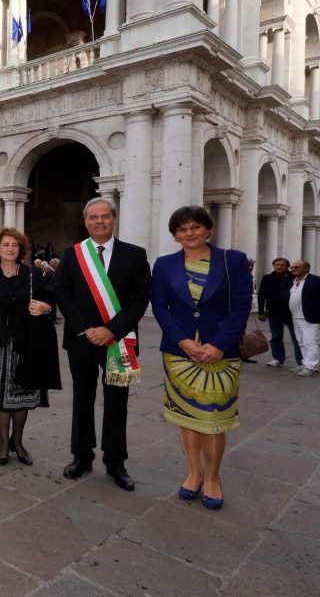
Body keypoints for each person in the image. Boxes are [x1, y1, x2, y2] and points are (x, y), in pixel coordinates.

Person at [150, 206, 252, 510]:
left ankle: (213, 478)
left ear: (208, 229)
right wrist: (182, 341)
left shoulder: (231, 260)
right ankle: (194, 474)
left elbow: (242, 304)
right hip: (180, 353)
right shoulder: (165, 264)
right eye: (181, 229)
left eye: (195, 227)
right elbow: (160, 306)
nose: (189, 234)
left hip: (219, 354)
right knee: (188, 418)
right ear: (175, 235)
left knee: (214, 418)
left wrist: (220, 343)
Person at [55, 198, 151, 490]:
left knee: (117, 402)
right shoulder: (72, 254)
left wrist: (110, 329)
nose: (99, 221)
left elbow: (140, 298)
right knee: (82, 399)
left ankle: (115, 461)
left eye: (105, 217)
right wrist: (87, 328)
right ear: (85, 222)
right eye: (93, 217)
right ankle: (81, 456)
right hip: (82, 340)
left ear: (114, 219)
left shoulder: (134, 254)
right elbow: (62, 292)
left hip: (120, 340)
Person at [0, 227, 59, 466]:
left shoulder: (33, 274)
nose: (10, 249)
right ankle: (3, 444)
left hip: (26, 339)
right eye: (5, 245)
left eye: (14, 245)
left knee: (23, 392)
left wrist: (45, 307)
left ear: (20, 249)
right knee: (2, 395)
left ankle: (17, 442)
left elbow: (51, 299)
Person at [257, 257, 302, 369]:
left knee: (297, 338)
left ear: (287, 267)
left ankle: (301, 361)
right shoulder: (268, 278)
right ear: (274, 266)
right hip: (274, 312)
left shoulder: (295, 278)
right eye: (277, 264)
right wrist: (261, 312)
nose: (279, 267)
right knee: (276, 336)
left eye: (282, 265)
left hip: (292, 313)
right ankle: (278, 358)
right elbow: (262, 295)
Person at [289, 260, 320, 377]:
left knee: (310, 342)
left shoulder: (315, 280)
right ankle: (305, 363)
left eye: (296, 267)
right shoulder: (293, 281)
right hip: (295, 317)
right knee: (301, 342)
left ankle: (311, 367)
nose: (293, 269)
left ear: (306, 268)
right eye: (292, 267)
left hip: (309, 317)